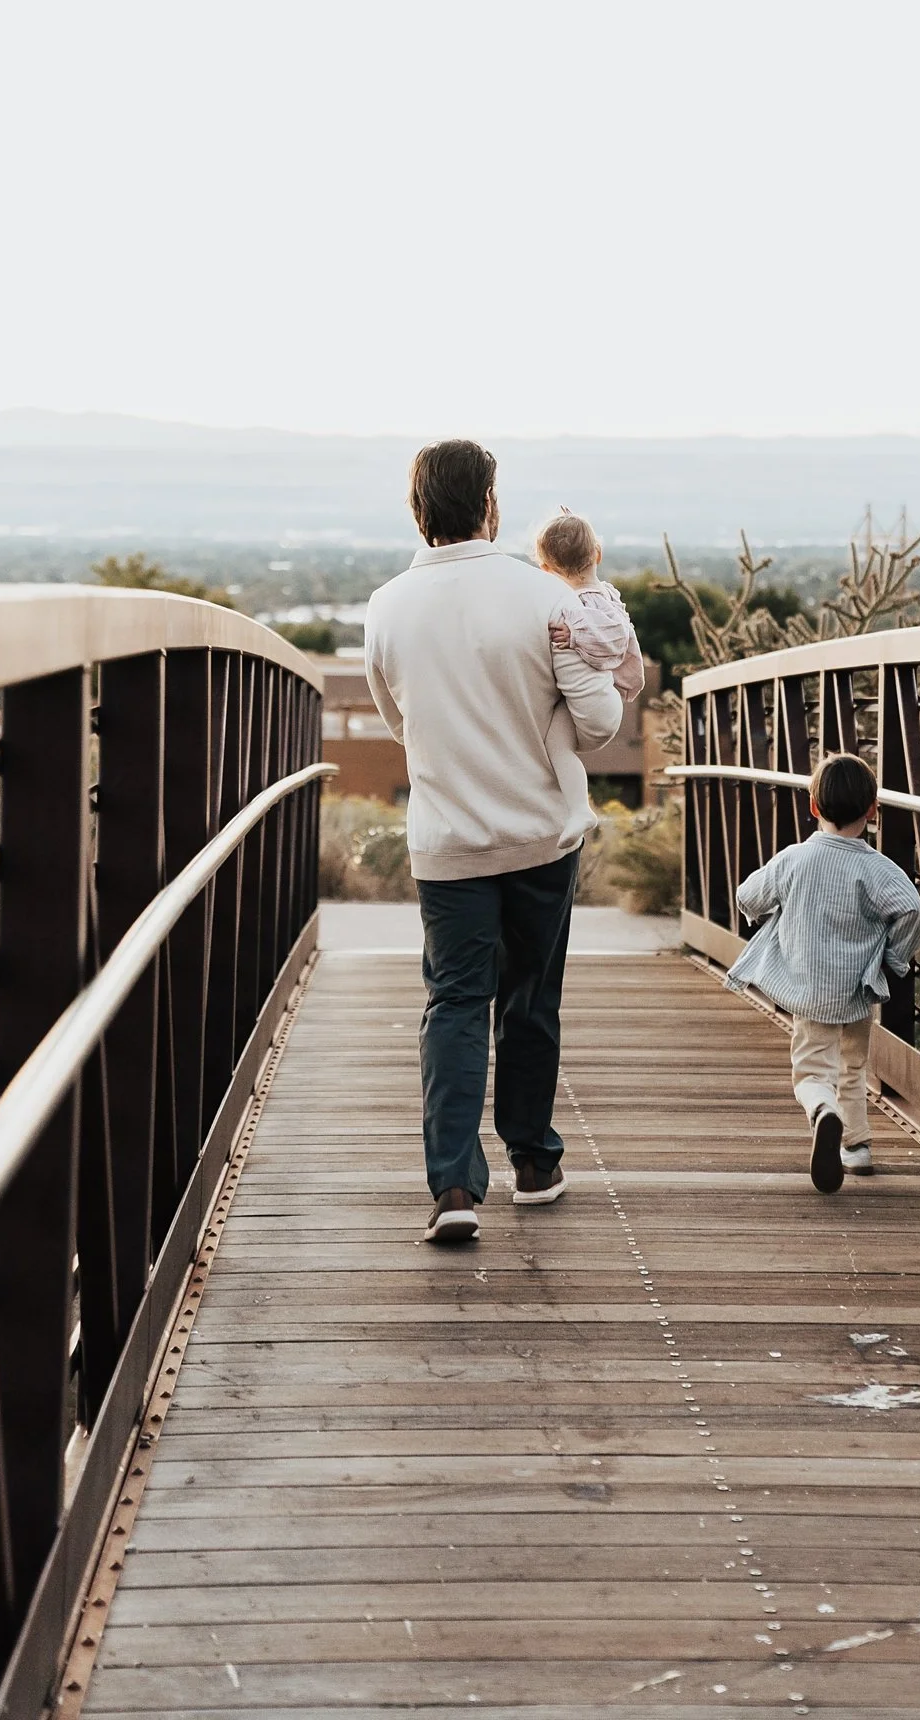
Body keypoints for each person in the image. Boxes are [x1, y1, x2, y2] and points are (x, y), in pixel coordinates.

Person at [363, 441, 624, 1244]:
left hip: (447, 842)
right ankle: (534, 1164)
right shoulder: (541, 597)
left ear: (418, 512)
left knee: (453, 1002)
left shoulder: (386, 607)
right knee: (529, 1001)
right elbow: (599, 722)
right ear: (491, 506)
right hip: (540, 836)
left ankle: (452, 1187)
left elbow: (395, 724)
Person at [725, 752, 920, 1194]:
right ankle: (857, 1149)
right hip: (857, 989)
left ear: (813, 807)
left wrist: (771, 914)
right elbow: (913, 911)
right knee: (853, 1065)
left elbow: (747, 895)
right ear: (872, 810)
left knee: (812, 1071)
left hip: (811, 991)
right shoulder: (878, 870)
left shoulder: (794, 859)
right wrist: (892, 958)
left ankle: (823, 1111)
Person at [534, 508, 645, 848]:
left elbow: (614, 638)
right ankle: (573, 806)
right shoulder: (603, 594)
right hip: (603, 699)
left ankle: (580, 808)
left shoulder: (582, 604)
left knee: (556, 746)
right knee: (554, 741)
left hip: (599, 707)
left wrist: (576, 634)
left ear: (547, 570)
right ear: (598, 554)